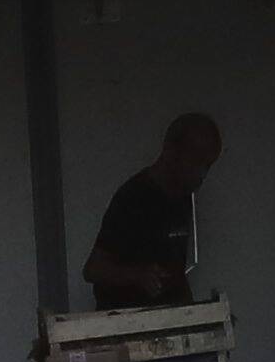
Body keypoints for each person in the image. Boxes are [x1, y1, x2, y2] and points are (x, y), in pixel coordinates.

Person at [80, 112, 221, 309]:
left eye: (207, 165)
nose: (201, 174)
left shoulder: (182, 198)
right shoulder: (133, 197)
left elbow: (176, 274)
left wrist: (196, 316)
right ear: (170, 151)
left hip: (164, 325)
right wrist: (137, 275)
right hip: (123, 325)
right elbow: (93, 270)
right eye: (196, 161)